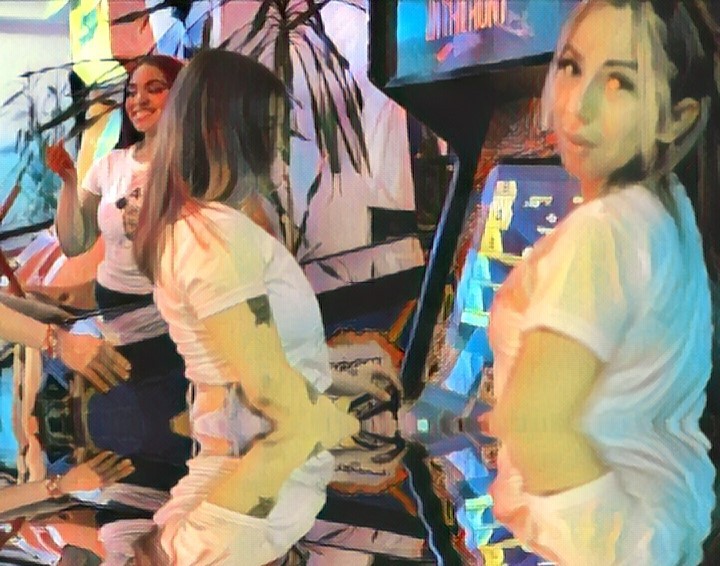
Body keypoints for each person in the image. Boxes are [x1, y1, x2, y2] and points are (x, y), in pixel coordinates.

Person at [116, 49, 397, 566]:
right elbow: (273, 398)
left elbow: (262, 376)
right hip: (243, 493)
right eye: (269, 130)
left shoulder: (201, 228)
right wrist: (344, 427)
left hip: (240, 494)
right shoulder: (210, 237)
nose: (277, 149)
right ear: (225, 131)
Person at [486, 1, 717, 564]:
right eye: (571, 67)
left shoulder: (603, 231)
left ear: (677, 118)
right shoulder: (666, 210)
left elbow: (532, 423)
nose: (577, 107)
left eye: (619, 83)